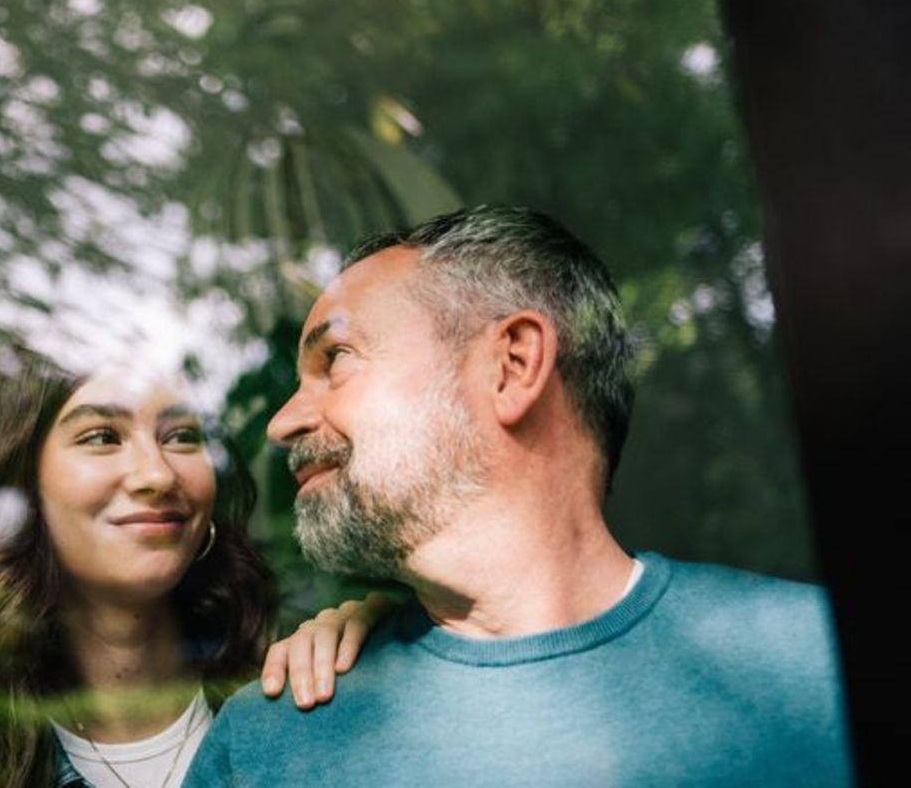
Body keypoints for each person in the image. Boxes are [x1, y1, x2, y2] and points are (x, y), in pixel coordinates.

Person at [185, 205, 853, 786]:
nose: (282, 423)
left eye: (335, 359)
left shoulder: (823, 671)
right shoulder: (269, 744)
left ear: (512, 365)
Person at [0, 352, 385, 787]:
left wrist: (395, 636)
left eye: (182, 435)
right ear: (25, 492)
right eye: (102, 436)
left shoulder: (310, 695)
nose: (157, 474)